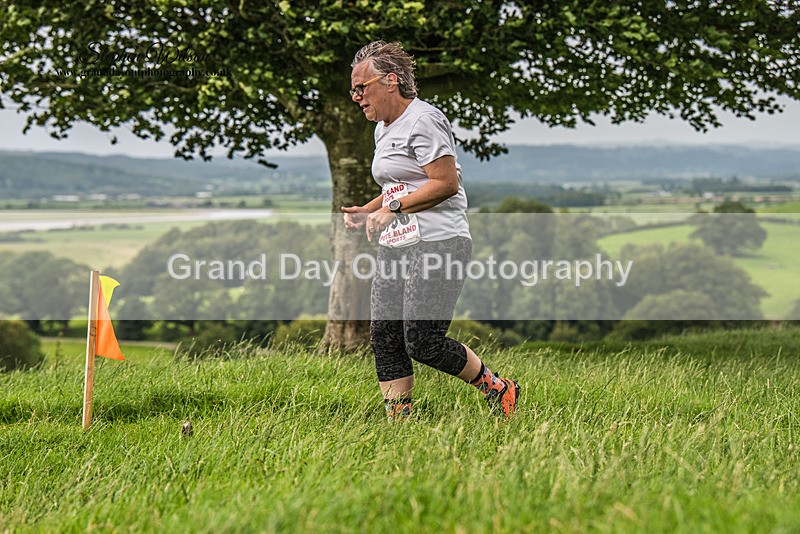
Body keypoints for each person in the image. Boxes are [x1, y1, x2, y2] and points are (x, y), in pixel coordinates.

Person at [341, 41, 520, 420]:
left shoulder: (425, 120)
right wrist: (369, 209)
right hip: (398, 243)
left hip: (440, 242)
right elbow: (402, 184)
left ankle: (499, 389)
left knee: (422, 341)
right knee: (385, 336)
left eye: (362, 87)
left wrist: (393, 208)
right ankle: (399, 423)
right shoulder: (383, 128)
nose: (356, 97)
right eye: (353, 90)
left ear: (390, 81)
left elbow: (444, 183)